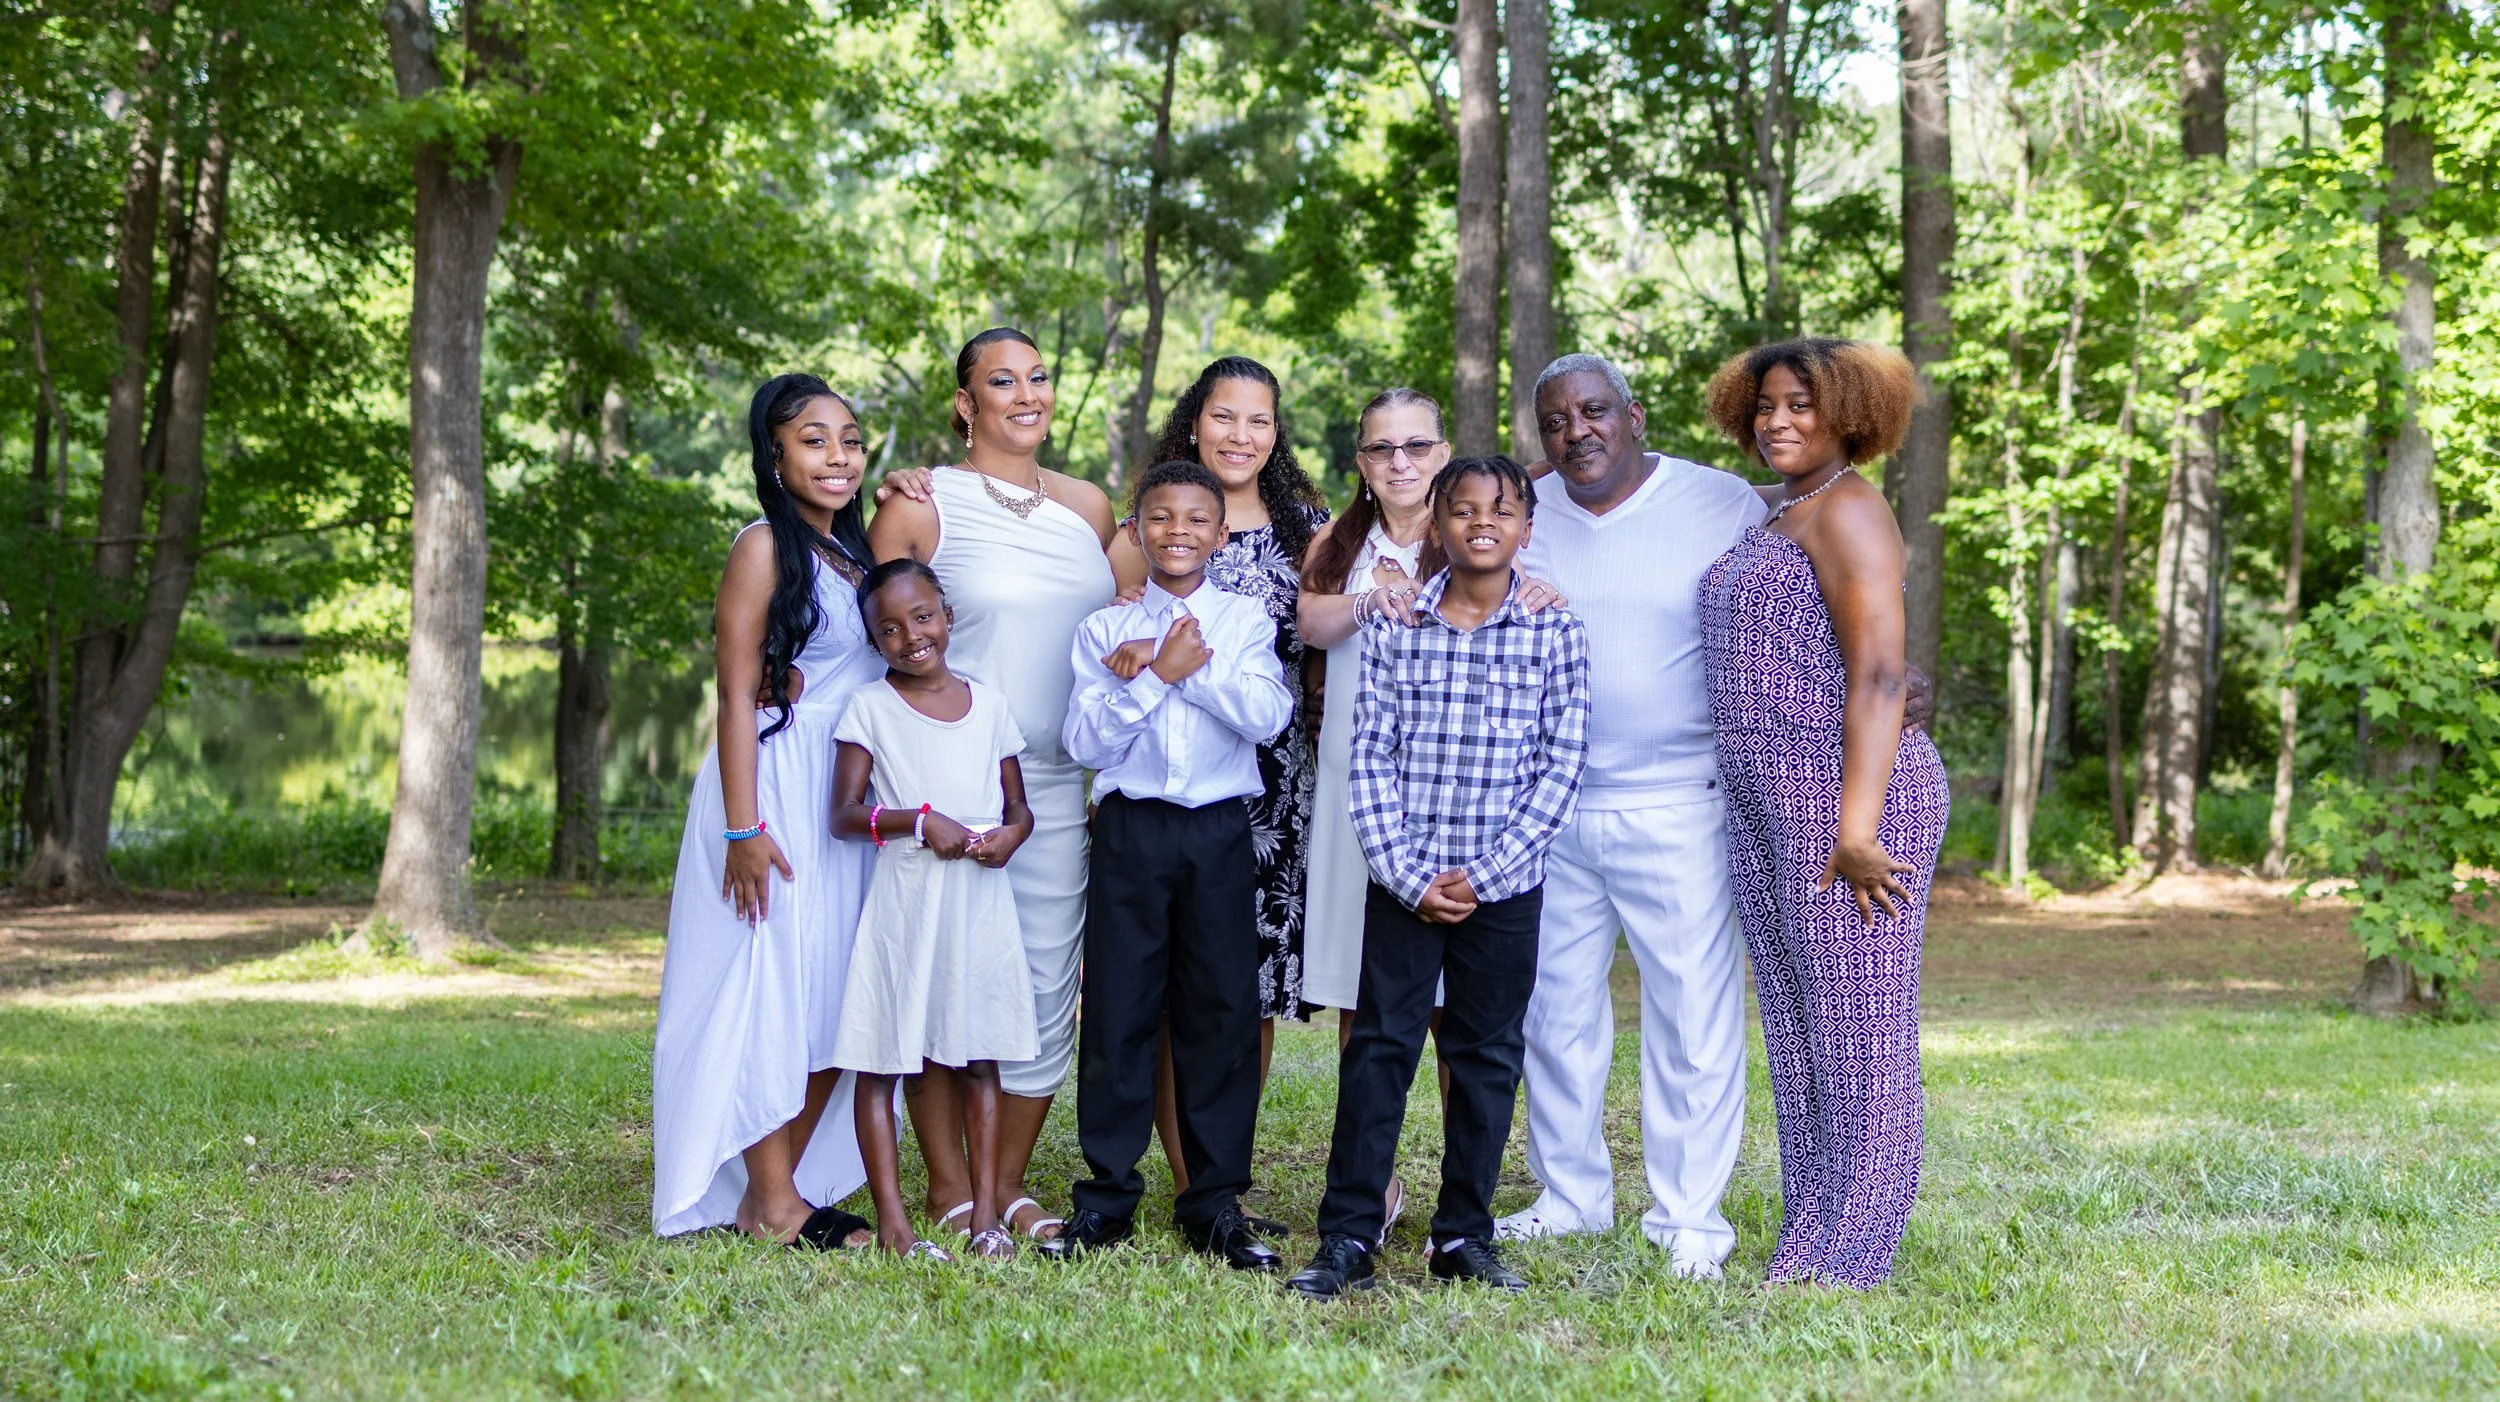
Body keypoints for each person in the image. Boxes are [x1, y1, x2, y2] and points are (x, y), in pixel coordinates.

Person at [1286, 455, 1590, 1300]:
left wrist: (1485, 875)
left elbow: (1560, 765)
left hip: (1505, 884)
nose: (1481, 523)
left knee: (1486, 1055)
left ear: (1527, 527)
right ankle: (1348, 1235)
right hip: (1405, 880)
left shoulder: (1554, 630)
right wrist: (1411, 875)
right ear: (1440, 524)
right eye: (1462, 510)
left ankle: (1464, 1234)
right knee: (1380, 1051)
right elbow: (1366, 756)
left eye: (1501, 511)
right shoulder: (1395, 625)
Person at [1497, 352, 1769, 1279]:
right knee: (1554, 1011)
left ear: (1635, 414)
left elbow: (1809, 584)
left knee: (1691, 1015)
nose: (1578, 431)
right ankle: (1571, 1197)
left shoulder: (1722, 502)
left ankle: (1690, 1219)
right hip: (1551, 803)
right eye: (1557, 421)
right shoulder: (1522, 512)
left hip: (1681, 799)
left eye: (1595, 411)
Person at [1697, 337, 1948, 1290]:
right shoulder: (1782, 509)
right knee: (1804, 1038)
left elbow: (1882, 672)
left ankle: (1854, 1257)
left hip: (1849, 808)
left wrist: (1857, 827)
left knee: (1862, 1036)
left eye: (1800, 405)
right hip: (1771, 807)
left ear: (1848, 413)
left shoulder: (1851, 510)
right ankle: (1813, 1235)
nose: (1777, 421)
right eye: (1765, 405)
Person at [866, 328, 1118, 1246]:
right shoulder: (924, 503)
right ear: (967, 404)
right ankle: (946, 1188)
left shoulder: (1091, 509)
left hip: (1056, 783)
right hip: (953, 780)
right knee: (946, 976)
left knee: (1047, 982)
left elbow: (1167, 588)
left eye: (1039, 376)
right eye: (1000, 381)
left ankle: (1005, 1185)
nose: (1027, 394)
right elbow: (878, 637)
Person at [651, 375, 881, 1249]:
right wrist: (742, 831)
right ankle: (778, 1203)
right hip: (776, 786)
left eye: (851, 440)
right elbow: (737, 695)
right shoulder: (761, 548)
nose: (838, 457)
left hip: (846, 798)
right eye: (814, 440)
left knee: (831, 995)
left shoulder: (852, 555)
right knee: (766, 984)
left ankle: (765, 1194)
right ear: (774, 456)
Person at [1046, 460, 1295, 1269]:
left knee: (1220, 1013)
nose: (1178, 532)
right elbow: (1084, 743)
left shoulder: (1246, 620)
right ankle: (1107, 1197)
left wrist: (1195, 664)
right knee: (1118, 1011)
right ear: (1137, 528)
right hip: (1130, 831)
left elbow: (1267, 715)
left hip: (1221, 831)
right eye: (1160, 518)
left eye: (1196, 519)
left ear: (1222, 534)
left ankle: (1215, 1201)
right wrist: (1154, 673)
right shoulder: (1102, 630)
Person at [1110, 357, 1329, 1198]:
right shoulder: (1155, 523)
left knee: (1250, 985)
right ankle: (1179, 1173)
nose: (1241, 435)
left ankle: (1219, 1180)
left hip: (1275, 784)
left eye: (1259, 420)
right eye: (1224, 417)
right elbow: (1099, 631)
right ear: (1194, 423)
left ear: (1276, 433)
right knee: (1172, 983)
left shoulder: (1312, 527)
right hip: (1166, 778)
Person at [830, 559, 1039, 1262]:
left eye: (922, 617)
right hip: (908, 898)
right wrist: (919, 822)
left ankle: (984, 1218)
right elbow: (844, 814)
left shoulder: (989, 705)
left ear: (947, 616)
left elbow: (1018, 806)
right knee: (885, 1058)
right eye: (887, 629)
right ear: (874, 640)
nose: (910, 636)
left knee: (979, 1058)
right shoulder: (870, 708)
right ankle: (895, 1225)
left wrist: (1010, 836)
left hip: (978, 901)